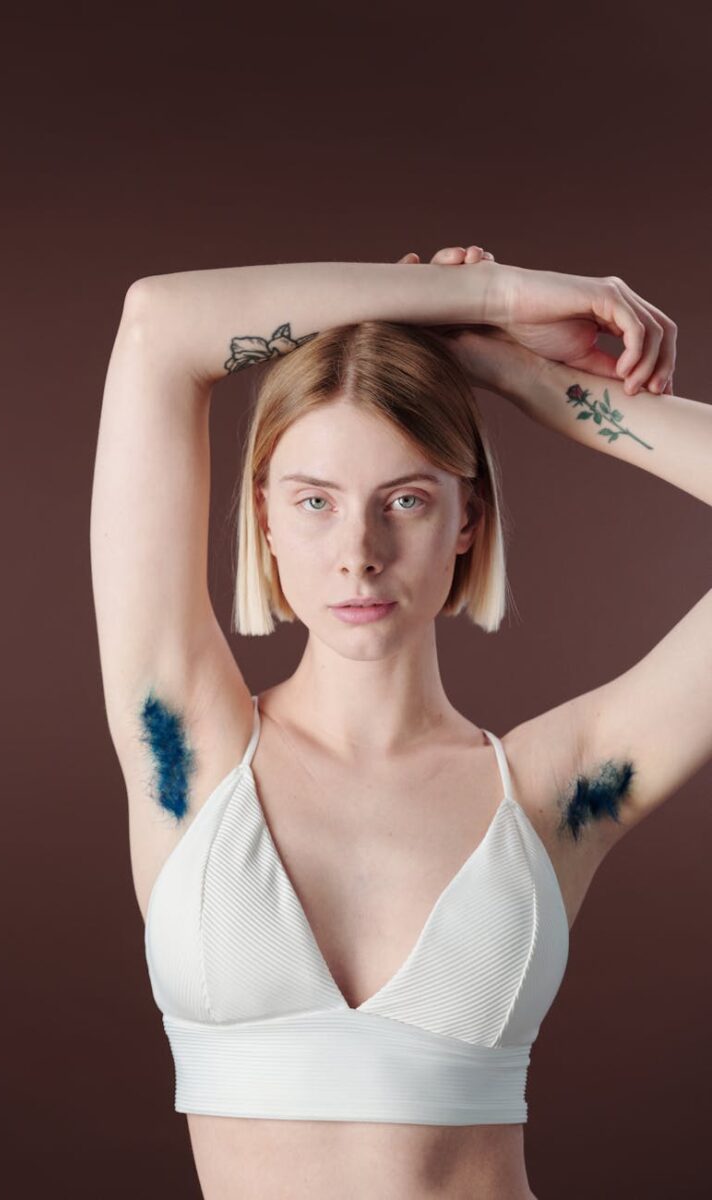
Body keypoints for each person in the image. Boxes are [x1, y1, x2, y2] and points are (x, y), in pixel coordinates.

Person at [90, 247, 711, 1199]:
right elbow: (158, 326)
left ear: (468, 518)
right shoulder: (188, 747)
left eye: (408, 500)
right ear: (263, 515)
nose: (359, 555)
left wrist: (521, 376)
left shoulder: (555, 793)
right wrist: (493, 295)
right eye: (315, 502)